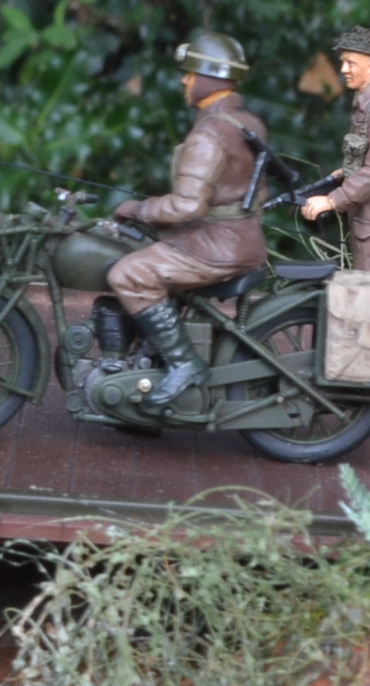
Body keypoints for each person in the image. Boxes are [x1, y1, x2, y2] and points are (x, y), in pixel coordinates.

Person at [106, 32, 270, 408]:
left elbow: (187, 207)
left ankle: (184, 364)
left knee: (127, 274)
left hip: (216, 244)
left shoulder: (209, 135)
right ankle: (148, 362)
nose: (184, 80)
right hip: (237, 237)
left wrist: (139, 209)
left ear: (209, 77)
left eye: (191, 73)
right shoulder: (245, 121)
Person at [301, 26, 370, 273]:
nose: (343, 69)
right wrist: (347, 172)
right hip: (369, 213)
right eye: (343, 62)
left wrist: (332, 200)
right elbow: (368, 159)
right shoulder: (366, 105)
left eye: (350, 63)